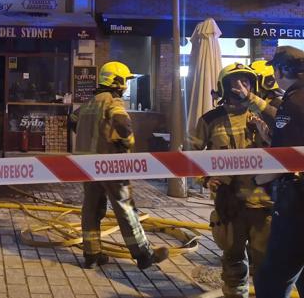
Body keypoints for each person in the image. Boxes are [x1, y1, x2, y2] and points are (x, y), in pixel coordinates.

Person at [73, 61, 169, 270]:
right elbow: (124, 127)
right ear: (116, 81)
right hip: (111, 164)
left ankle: (92, 254)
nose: (125, 84)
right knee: (125, 207)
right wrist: (127, 144)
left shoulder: (89, 103)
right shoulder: (113, 101)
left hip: (86, 165)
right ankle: (143, 254)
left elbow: (72, 120)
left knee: (91, 208)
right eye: (124, 80)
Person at [190, 63, 272, 298]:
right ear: (223, 87)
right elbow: (190, 155)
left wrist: (265, 131)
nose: (240, 87)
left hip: (262, 202)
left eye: (245, 82)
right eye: (234, 83)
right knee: (233, 260)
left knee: (265, 262)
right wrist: (205, 179)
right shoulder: (210, 120)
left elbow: (286, 144)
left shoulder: (263, 116)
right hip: (230, 204)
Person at [250, 46, 304, 298]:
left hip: (297, 207)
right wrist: (273, 139)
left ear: (282, 70)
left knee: (273, 278)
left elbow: (286, 160)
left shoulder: (292, 103)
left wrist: (259, 176)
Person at [249, 60, 283, 129]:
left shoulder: (278, 103)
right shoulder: (263, 99)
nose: (249, 85)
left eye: (252, 81)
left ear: (267, 80)